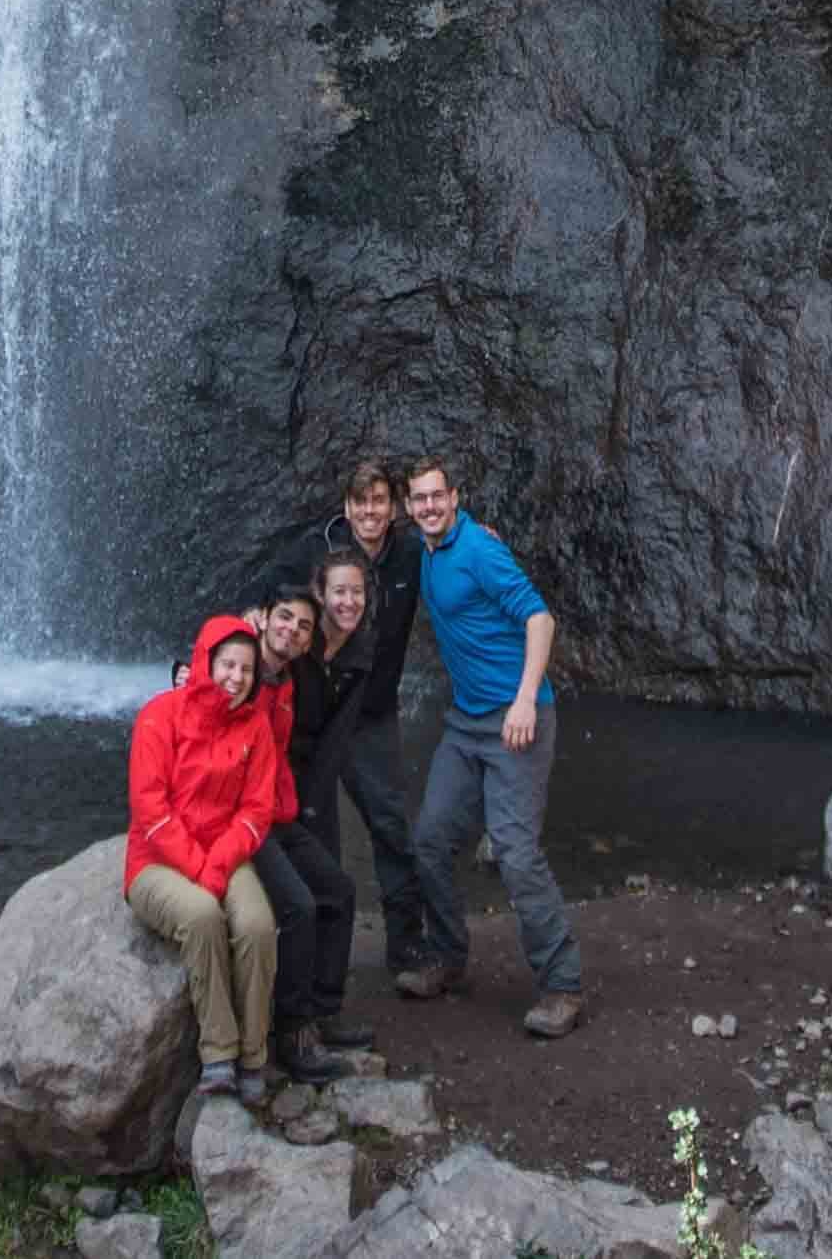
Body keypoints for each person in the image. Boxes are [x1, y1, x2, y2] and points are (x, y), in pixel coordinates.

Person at [235, 455, 456, 1006]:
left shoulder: (410, 549)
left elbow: (449, 549)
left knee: (389, 826)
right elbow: (270, 593)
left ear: (395, 506)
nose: (370, 512)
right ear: (347, 507)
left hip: (372, 715)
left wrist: (472, 533)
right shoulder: (318, 548)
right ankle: (306, 958)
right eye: (361, 502)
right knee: (314, 832)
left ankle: (406, 947)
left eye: (380, 501)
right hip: (314, 719)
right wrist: (247, 624)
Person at [398, 454, 584, 1035]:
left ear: (454, 497)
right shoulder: (427, 552)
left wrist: (526, 698)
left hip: (516, 721)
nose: (429, 506)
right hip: (465, 723)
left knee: (515, 851)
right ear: (410, 507)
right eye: (419, 499)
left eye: (437, 496)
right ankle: (450, 960)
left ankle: (562, 985)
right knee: (429, 841)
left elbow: (539, 619)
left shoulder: (478, 548)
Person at [125, 610, 296, 1099]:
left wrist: (216, 864)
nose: (236, 678)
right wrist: (202, 871)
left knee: (258, 925)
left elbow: (256, 809)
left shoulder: (254, 727)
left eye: (245, 669)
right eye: (226, 665)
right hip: (155, 860)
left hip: (223, 852)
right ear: (205, 661)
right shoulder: (160, 714)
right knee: (201, 915)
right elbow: (149, 809)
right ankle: (218, 1053)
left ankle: (253, 1057)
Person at [248, 554, 389, 1080]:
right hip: (257, 806)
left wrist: (309, 802)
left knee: (339, 891)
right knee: (301, 905)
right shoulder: (271, 665)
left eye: (358, 592)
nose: (348, 602)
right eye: (338, 592)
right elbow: (220, 663)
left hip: (296, 789)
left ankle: (323, 1011)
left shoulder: (353, 652)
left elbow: (336, 736)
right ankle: (292, 1030)